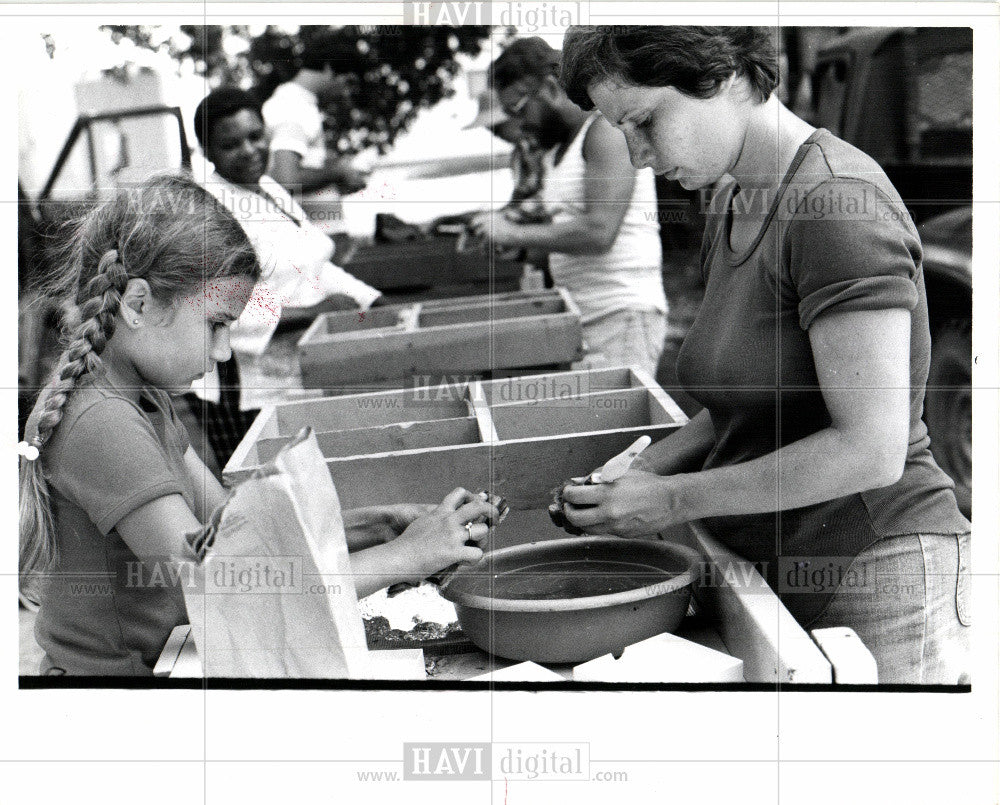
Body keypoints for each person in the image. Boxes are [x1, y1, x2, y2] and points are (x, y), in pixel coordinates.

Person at [554, 26, 971, 684]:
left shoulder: (836, 205)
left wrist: (670, 500)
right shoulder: (732, 196)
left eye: (643, 122)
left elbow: (871, 446)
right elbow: (744, 403)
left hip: (877, 575)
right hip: (782, 567)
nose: (635, 156)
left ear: (718, 74)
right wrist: (639, 469)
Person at [17, 174, 498, 676]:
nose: (224, 351)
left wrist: (376, 526)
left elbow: (226, 533)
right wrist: (404, 557)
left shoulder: (144, 399)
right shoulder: (103, 422)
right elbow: (225, 587)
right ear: (138, 304)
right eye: (216, 324)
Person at [191, 86, 381, 465]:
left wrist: (370, 301)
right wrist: (315, 313)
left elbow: (312, 263)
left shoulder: (267, 188)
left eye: (255, 136)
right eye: (231, 144)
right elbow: (220, 307)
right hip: (244, 386)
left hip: (294, 369)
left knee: (309, 485)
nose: (249, 150)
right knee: (265, 497)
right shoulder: (209, 210)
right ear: (207, 152)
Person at [469, 37, 668, 379]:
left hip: (619, 313)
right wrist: (517, 246)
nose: (519, 124)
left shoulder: (604, 133)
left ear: (548, 88)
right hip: (581, 317)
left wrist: (512, 231)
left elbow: (599, 232)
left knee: (618, 430)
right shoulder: (556, 151)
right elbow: (560, 237)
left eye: (517, 109)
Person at [262, 32, 369, 235]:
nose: (346, 93)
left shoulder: (297, 102)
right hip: (311, 240)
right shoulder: (293, 105)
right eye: (348, 82)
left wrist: (335, 173)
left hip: (316, 235)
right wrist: (339, 171)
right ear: (329, 68)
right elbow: (286, 179)